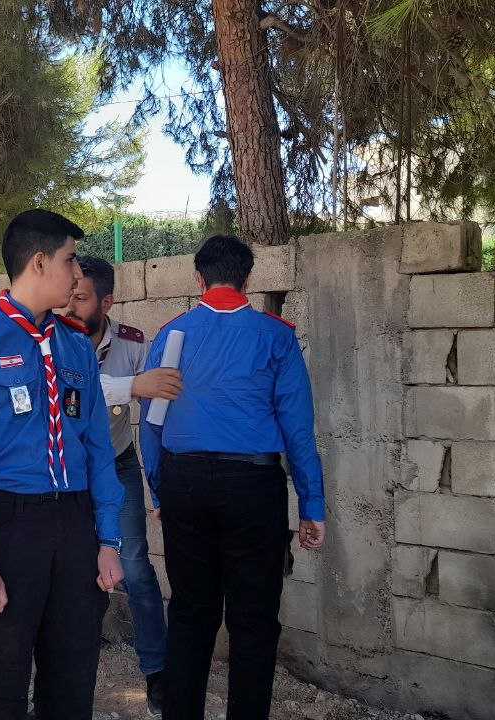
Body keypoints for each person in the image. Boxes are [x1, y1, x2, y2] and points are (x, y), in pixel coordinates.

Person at [0, 209, 125, 720]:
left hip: (75, 525)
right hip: (10, 526)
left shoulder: (75, 346)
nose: (78, 275)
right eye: (70, 261)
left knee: (72, 680)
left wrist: (108, 540)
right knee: (1, 683)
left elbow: (97, 449)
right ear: (39, 262)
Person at [139, 235, 325, 720]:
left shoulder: (173, 334)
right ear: (248, 279)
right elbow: (298, 429)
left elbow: (151, 422)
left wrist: (159, 489)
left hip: (185, 484)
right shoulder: (275, 336)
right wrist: (313, 506)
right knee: (254, 621)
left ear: (198, 278)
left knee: (189, 614)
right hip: (253, 487)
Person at [64, 255, 182, 716]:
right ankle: (61, 678)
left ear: (106, 302)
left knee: (134, 567)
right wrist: (134, 385)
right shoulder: (54, 339)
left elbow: (157, 412)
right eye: (69, 295)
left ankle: (158, 672)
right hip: (68, 470)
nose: (71, 305)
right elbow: (76, 393)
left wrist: (161, 486)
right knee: (68, 569)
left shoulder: (133, 343)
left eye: (81, 298)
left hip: (117, 462)